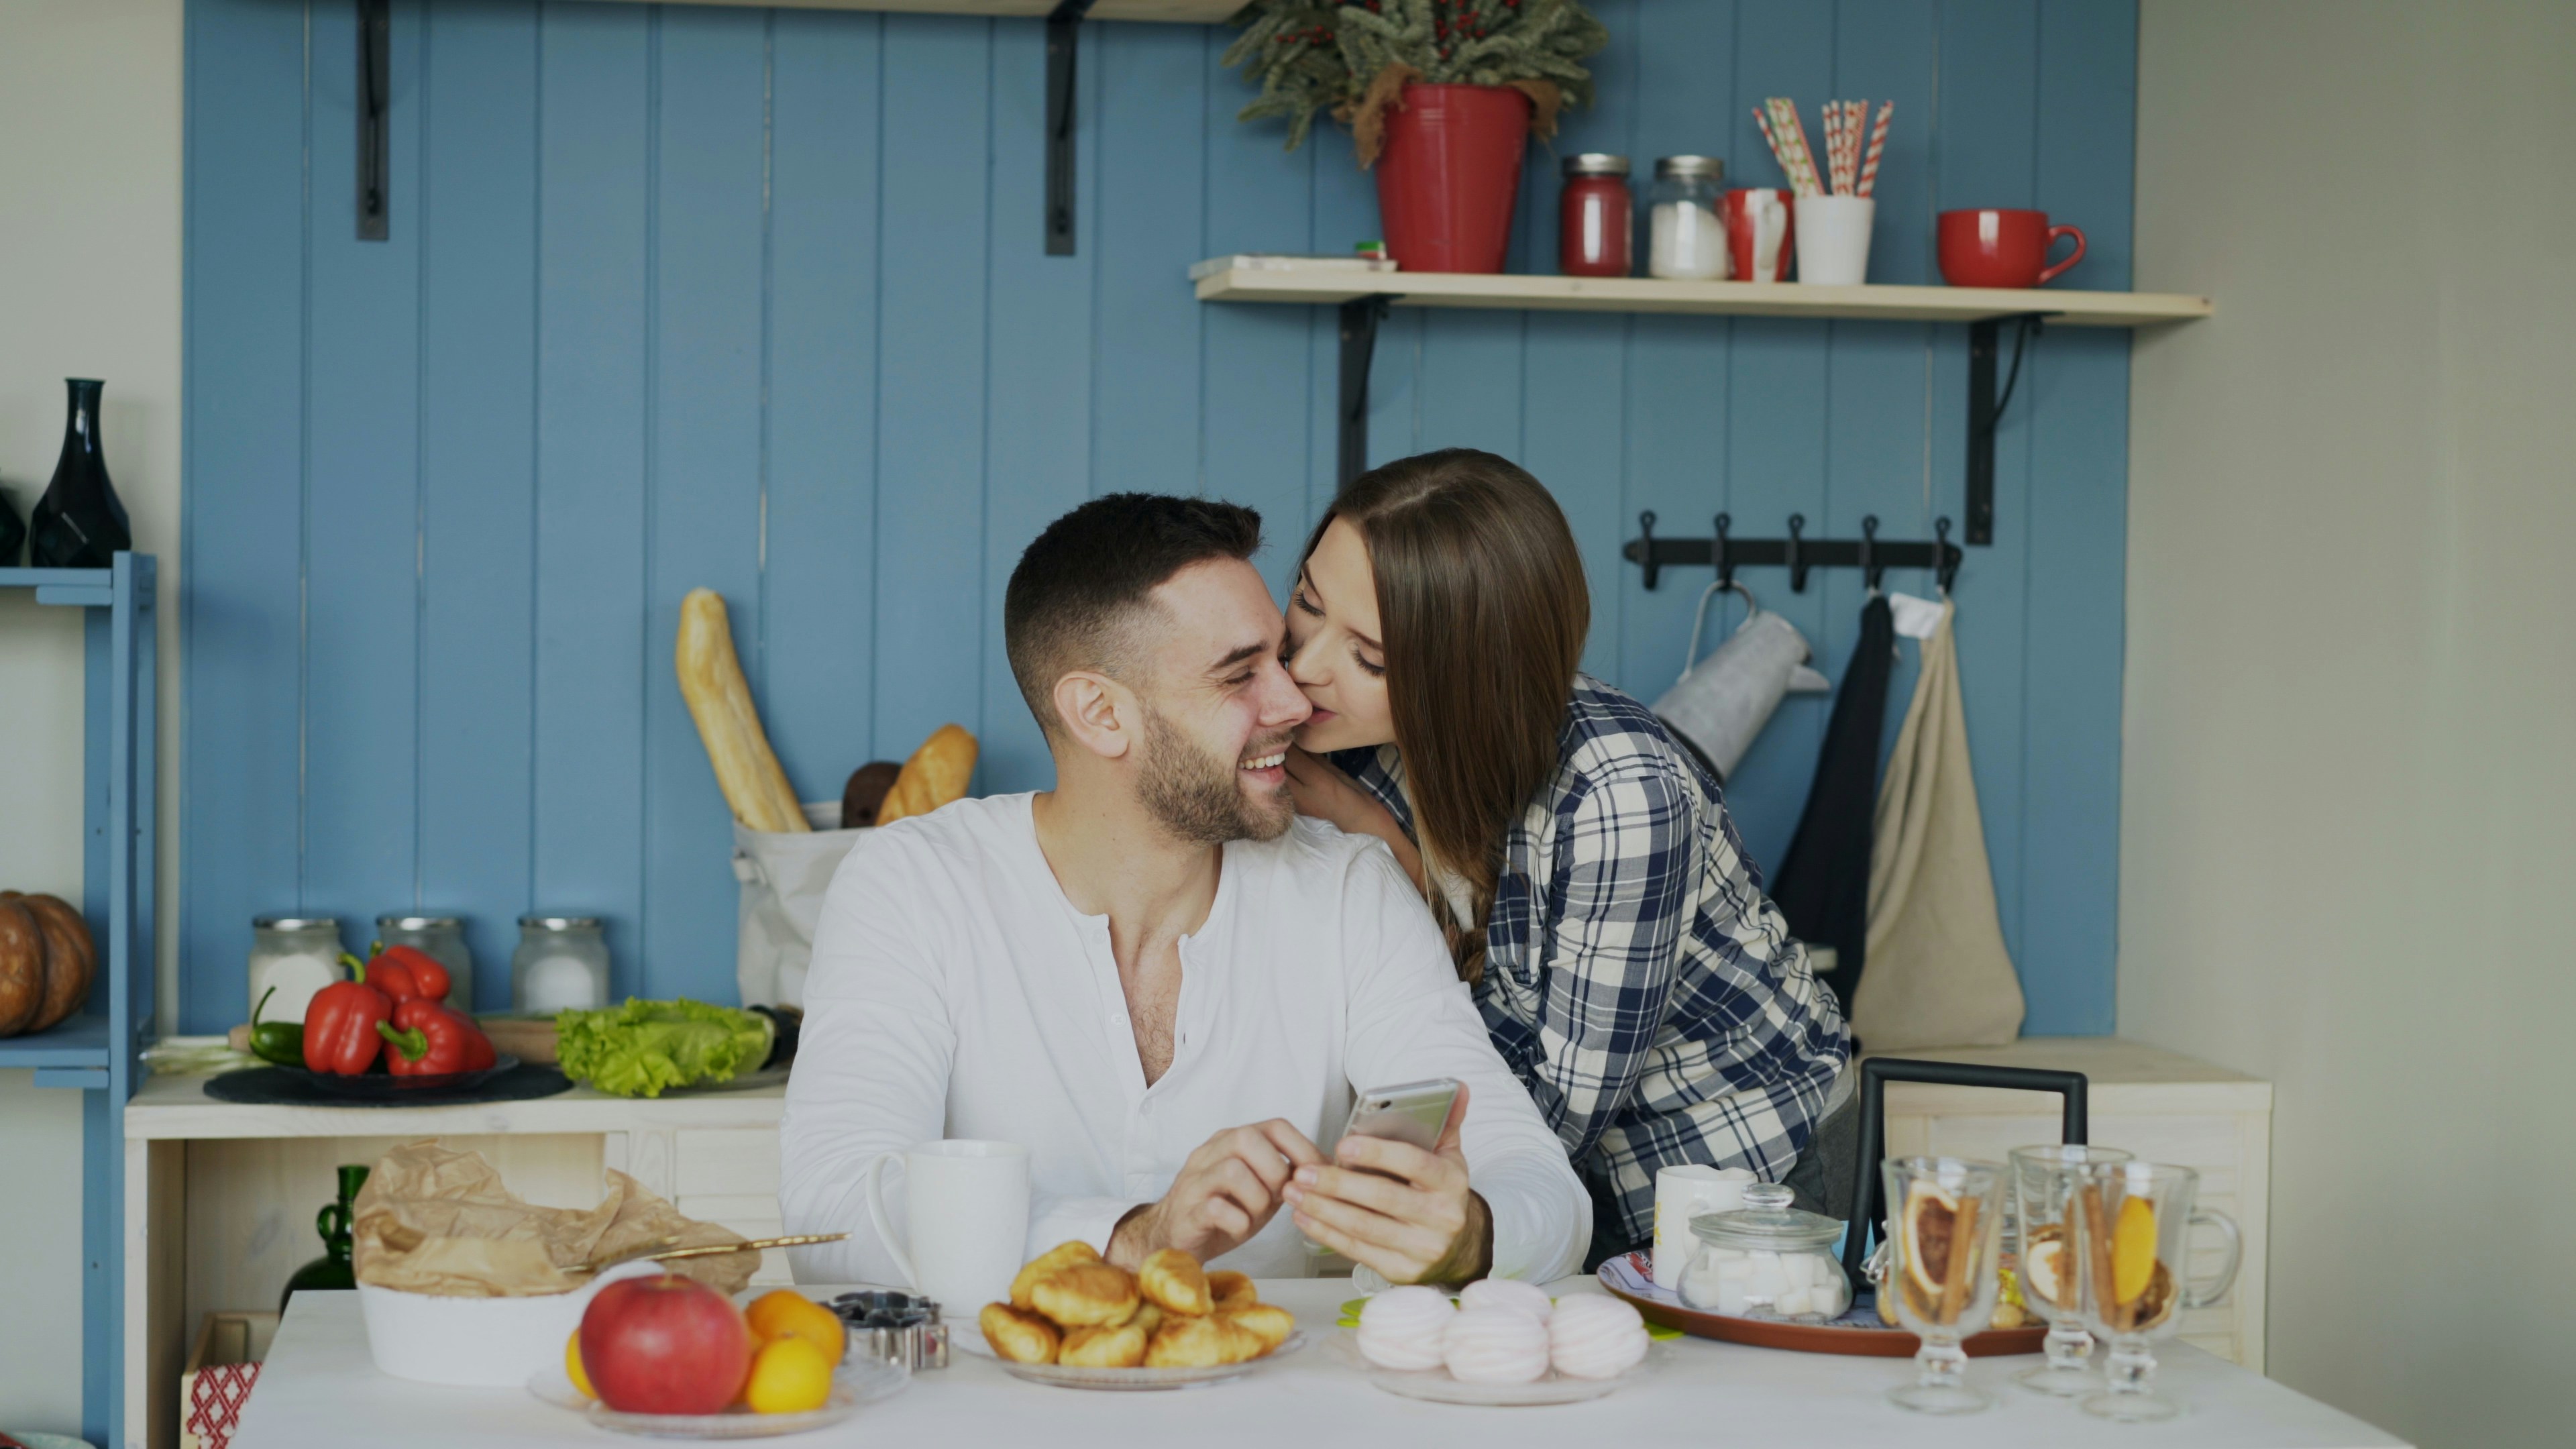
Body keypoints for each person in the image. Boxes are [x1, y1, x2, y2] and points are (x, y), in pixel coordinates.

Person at [780, 492, 1588, 1289]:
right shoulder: (914, 884)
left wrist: (1468, 1234)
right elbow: (835, 1213)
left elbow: (1545, 1192)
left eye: (1279, 654)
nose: (1294, 700)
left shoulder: (1349, 891)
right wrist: (1133, 1241)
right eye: (1240, 676)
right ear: (1100, 713)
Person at [1278, 448, 1855, 1266]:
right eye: (1306, 601)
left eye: (1369, 658)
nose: (1304, 666)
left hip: (1745, 1163)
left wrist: (1390, 858)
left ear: (1467, 671)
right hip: (1556, 1187)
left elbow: (1552, 1114)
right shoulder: (1343, 738)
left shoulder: (1623, 795)